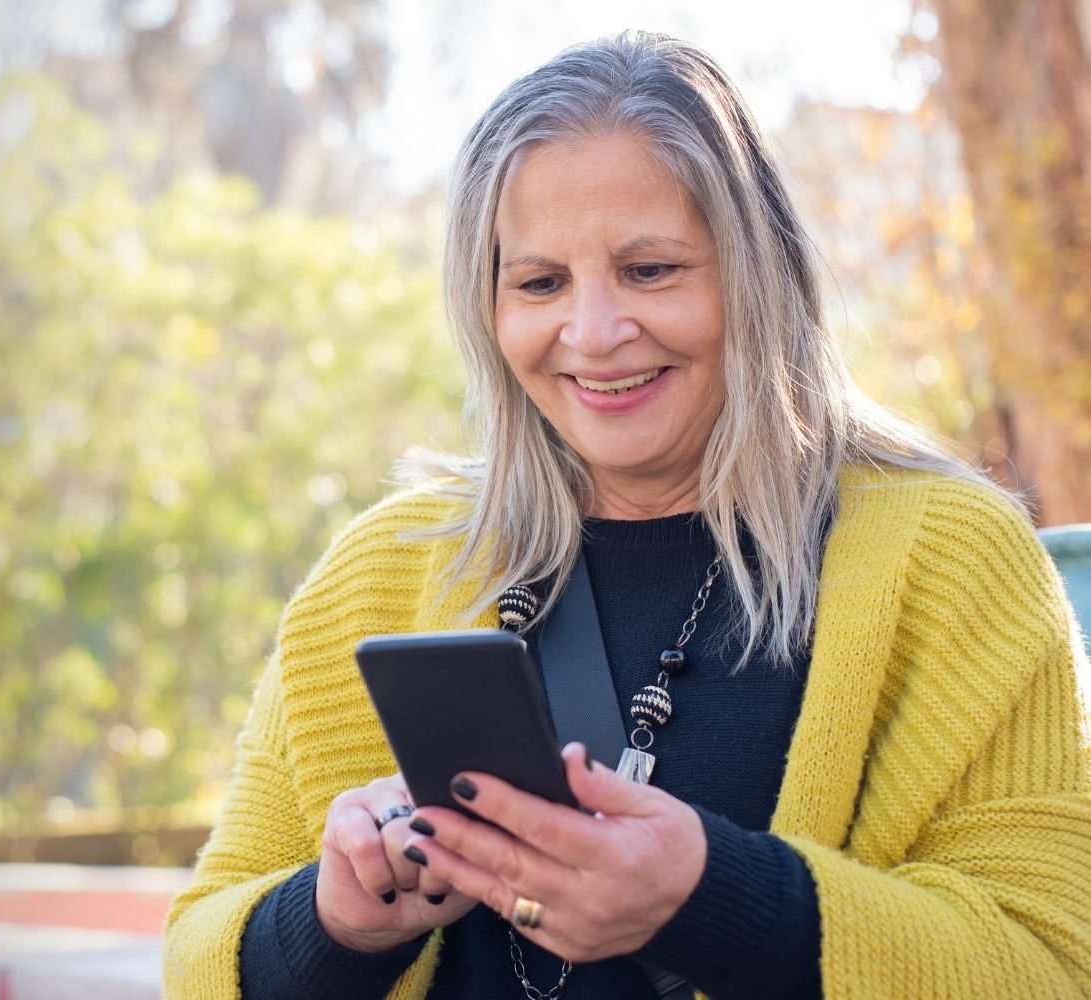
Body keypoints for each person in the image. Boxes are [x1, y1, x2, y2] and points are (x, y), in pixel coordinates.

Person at [162, 31, 1091, 1000]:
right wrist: (336, 921)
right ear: (487, 307)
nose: (595, 334)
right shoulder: (384, 569)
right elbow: (196, 960)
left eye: (651, 270)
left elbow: (1051, 964)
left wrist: (706, 898)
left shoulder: (951, 560)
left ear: (756, 274)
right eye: (540, 282)